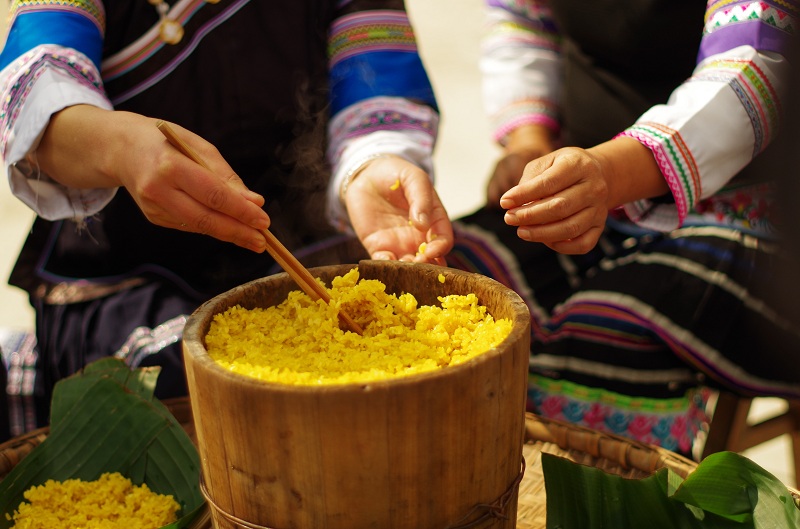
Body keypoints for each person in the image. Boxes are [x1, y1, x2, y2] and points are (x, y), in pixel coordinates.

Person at [0, 0, 453, 434]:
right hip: (131, 272)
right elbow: (40, 89)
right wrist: (120, 148)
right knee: (198, 376)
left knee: (437, 315)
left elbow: (373, 65)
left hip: (309, 247)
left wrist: (370, 165)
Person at [446, 0, 800, 457]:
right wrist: (530, 143)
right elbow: (523, 20)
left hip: (758, 216)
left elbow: (758, 63)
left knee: (606, 331)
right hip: (594, 190)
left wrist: (611, 174)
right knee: (454, 282)